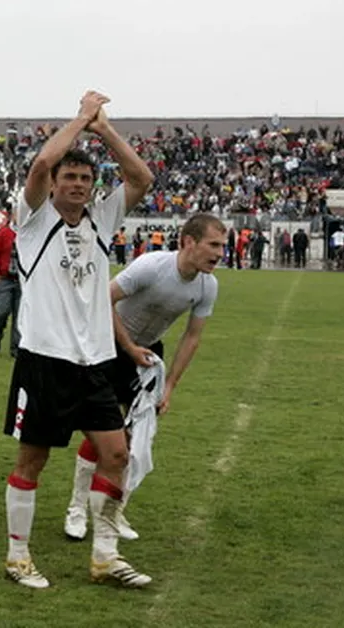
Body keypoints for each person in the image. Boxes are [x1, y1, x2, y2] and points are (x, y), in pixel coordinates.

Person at [1, 90, 154, 589]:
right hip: (45, 359)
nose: (78, 185)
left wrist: (104, 129)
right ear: (54, 185)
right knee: (33, 460)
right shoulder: (32, 220)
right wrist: (80, 118)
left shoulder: (100, 220)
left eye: (86, 179)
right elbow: (43, 159)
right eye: (70, 178)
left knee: (117, 455)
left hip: (95, 362)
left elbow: (142, 178)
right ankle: (17, 556)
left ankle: (104, 556)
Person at [65, 214, 223, 543]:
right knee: (103, 431)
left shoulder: (208, 285)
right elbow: (101, 301)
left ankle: (114, 511)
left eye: (222, 245)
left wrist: (169, 386)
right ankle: (77, 509)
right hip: (107, 346)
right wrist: (129, 347)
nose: (220, 252)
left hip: (147, 357)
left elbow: (192, 338)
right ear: (189, 241)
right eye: (213, 244)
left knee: (136, 438)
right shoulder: (151, 266)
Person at [0, 211, 21, 359]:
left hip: (21, 280)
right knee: (2, 310)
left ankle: (15, 348)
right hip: (5, 278)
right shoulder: (4, 233)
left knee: (19, 316)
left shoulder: (29, 232)